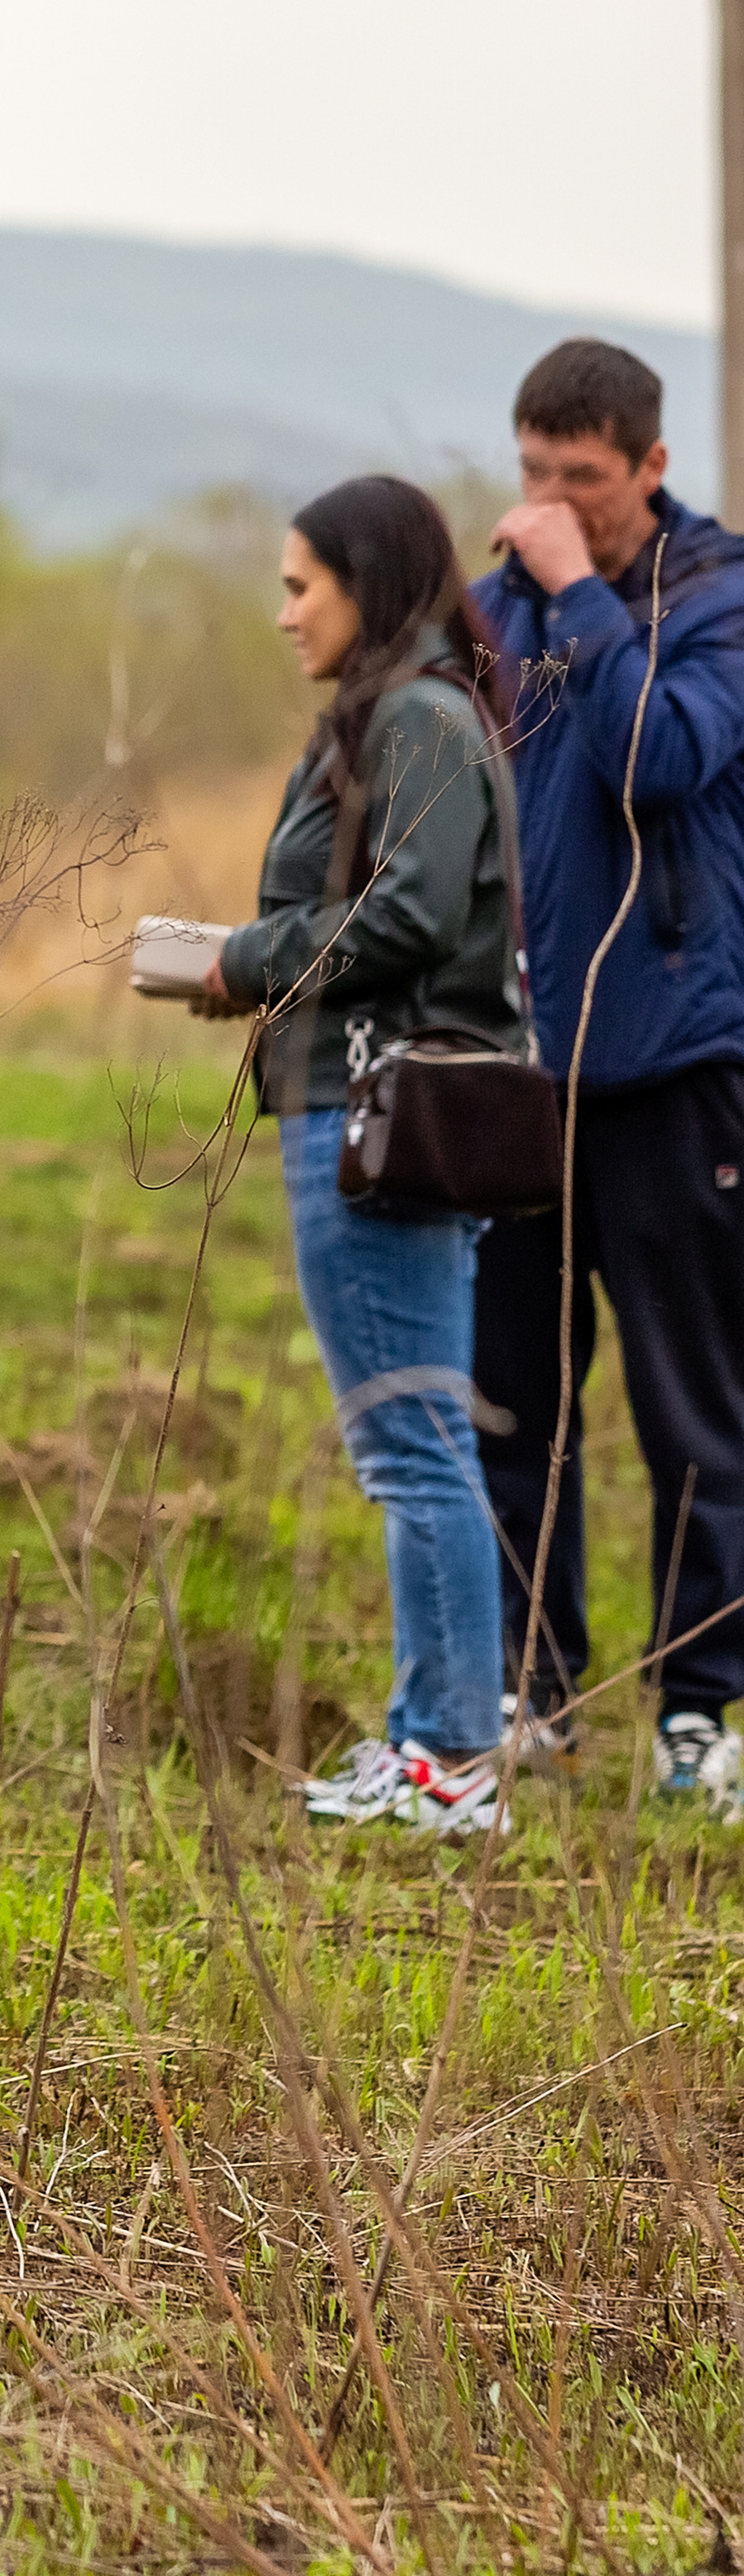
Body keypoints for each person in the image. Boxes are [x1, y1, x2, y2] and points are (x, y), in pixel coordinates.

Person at [204, 477, 525, 1836]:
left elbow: (406, 912)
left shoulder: (420, 718)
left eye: (300, 585)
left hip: (382, 1115)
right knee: (412, 1436)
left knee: (410, 1441)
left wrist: (240, 960)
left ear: (369, 584)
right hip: (353, 1101)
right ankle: (433, 1743)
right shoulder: (392, 718)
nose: (284, 613)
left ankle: (451, 1759)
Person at [471, 339, 744, 1812]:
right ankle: (535, 1693)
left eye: (580, 480)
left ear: (649, 466)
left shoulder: (718, 600)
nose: (550, 504)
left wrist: (578, 589)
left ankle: (700, 1711)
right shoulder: (495, 609)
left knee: (693, 1409)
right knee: (517, 1404)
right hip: (518, 1075)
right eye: (533, 477)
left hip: (676, 1067)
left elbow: (663, 759)